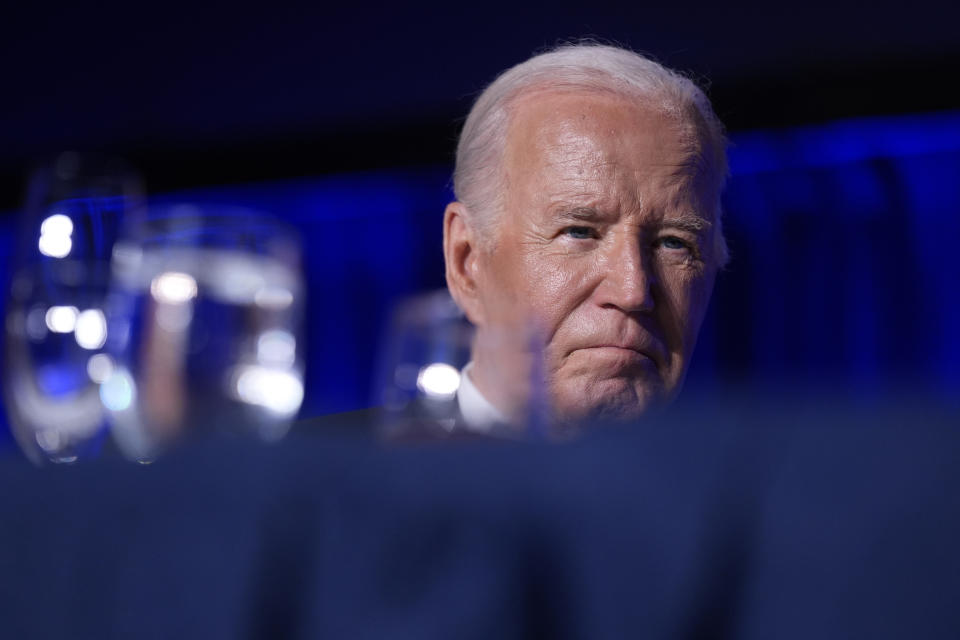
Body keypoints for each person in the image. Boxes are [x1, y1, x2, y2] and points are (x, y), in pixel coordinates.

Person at [443, 43, 729, 431]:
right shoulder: (338, 480)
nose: (632, 292)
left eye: (673, 243)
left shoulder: (768, 487)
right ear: (467, 262)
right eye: (579, 232)